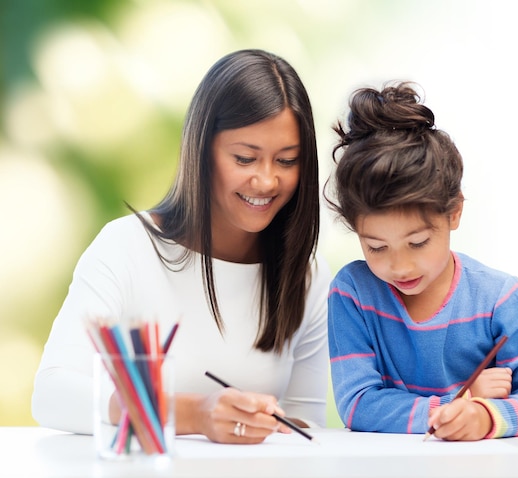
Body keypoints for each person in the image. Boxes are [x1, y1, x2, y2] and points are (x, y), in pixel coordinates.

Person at [32, 49, 331, 445]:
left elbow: (304, 425)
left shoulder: (306, 273)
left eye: (287, 161)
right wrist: (193, 414)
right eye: (245, 158)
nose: (266, 181)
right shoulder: (127, 247)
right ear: (202, 150)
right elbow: (52, 395)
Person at [324, 82, 518, 440]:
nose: (401, 266)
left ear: (454, 213)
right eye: (376, 247)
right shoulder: (353, 294)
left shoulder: (498, 297)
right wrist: (457, 401)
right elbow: (358, 404)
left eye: (418, 242)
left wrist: (486, 416)